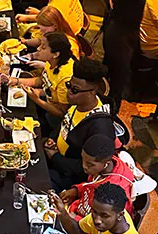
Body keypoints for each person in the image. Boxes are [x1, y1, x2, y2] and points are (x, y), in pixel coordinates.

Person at [40, 57, 117, 192]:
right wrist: (52, 139)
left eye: (74, 90)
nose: (69, 92)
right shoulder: (77, 105)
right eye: (68, 86)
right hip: (55, 157)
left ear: (93, 91)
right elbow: (65, 123)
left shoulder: (100, 129)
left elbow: (86, 169)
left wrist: (55, 157)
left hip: (68, 178)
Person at [58, 134, 137, 221]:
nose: (84, 166)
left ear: (106, 164)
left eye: (89, 164)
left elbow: (100, 225)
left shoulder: (114, 193)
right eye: (83, 160)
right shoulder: (105, 164)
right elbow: (91, 185)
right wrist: (76, 191)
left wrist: (71, 219)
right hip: (76, 209)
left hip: (83, 225)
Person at [3, 33, 74, 121]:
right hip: (45, 99)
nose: (38, 49)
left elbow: (61, 112)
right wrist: (15, 81)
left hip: (52, 117)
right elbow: (42, 80)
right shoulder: (52, 61)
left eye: (43, 47)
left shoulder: (65, 78)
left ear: (56, 54)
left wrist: (36, 99)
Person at [103, 0, 144, 112]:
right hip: (120, 37)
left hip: (118, 32)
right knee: (117, 80)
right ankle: (110, 112)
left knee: (114, 75)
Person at [19, 5, 90, 58]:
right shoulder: (53, 34)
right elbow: (41, 41)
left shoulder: (68, 46)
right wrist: (25, 42)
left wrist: (34, 57)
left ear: (54, 25)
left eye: (42, 29)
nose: (40, 31)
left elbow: (61, 70)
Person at [15, 0, 85, 39]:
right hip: (71, 30)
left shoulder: (54, 6)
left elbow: (49, 19)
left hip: (64, 38)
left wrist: (27, 18)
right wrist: (35, 14)